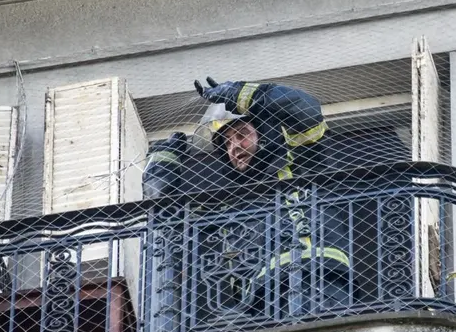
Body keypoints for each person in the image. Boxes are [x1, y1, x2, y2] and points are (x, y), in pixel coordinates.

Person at [143, 78, 353, 317]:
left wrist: (240, 93)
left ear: (265, 134)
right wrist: (163, 163)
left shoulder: (303, 165)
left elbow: (304, 109)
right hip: (258, 303)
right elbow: (167, 217)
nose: (234, 146)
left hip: (318, 281)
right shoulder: (230, 205)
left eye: (241, 134)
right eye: (227, 142)